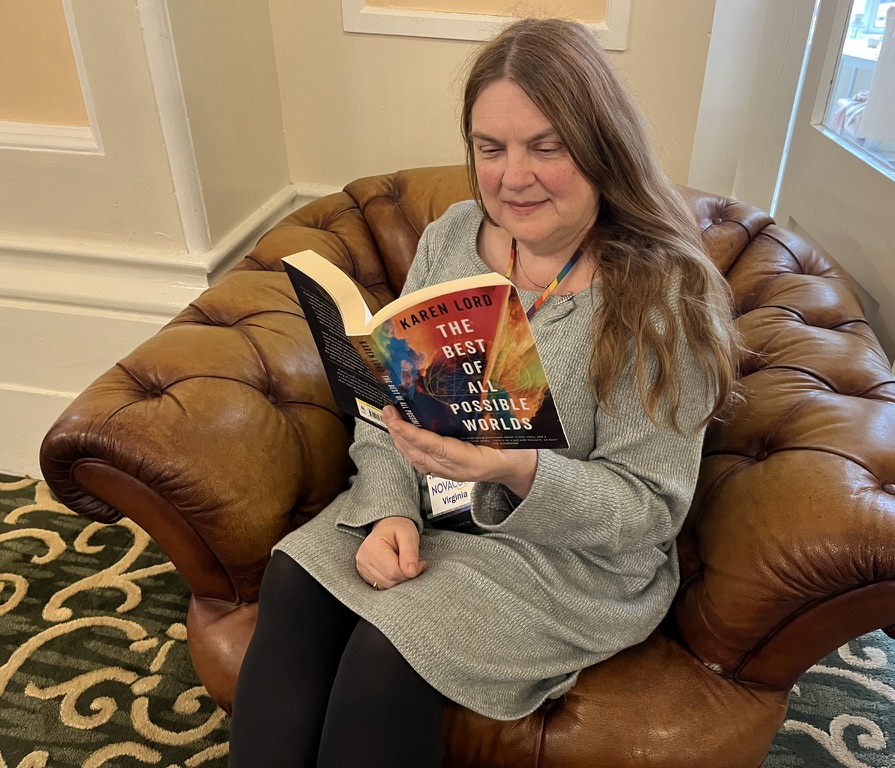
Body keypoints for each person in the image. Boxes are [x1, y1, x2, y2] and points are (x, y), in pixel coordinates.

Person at [227, 17, 741, 768]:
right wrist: (390, 509)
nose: (512, 177)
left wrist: (514, 470)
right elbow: (387, 408)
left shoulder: (661, 297)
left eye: (547, 146)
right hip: (430, 506)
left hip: (568, 558)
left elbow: (648, 509)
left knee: (391, 648)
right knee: (296, 577)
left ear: (602, 147)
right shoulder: (454, 236)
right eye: (490, 148)